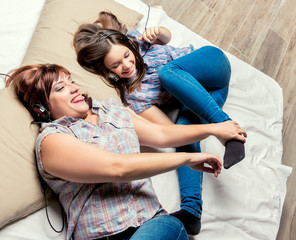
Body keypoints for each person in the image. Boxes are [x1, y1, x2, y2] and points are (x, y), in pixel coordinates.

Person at [5, 64, 246, 240]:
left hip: (153, 224)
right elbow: (117, 168)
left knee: (170, 226)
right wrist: (187, 158)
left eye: (71, 81)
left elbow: (161, 135)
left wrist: (214, 128)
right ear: (41, 109)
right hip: (102, 236)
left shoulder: (113, 110)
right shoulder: (53, 140)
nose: (74, 88)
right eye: (60, 87)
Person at [73, 11, 247, 235]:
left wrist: (158, 33)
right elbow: (168, 131)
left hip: (211, 66)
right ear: (108, 71)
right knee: (184, 131)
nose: (126, 64)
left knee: (168, 72)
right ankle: (191, 211)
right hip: (209, 96)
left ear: (130, 46)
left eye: (127, 55)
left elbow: (166, 37)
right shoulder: (133, 97)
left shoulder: (139, 42)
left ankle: (228, 130)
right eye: (116, 65)